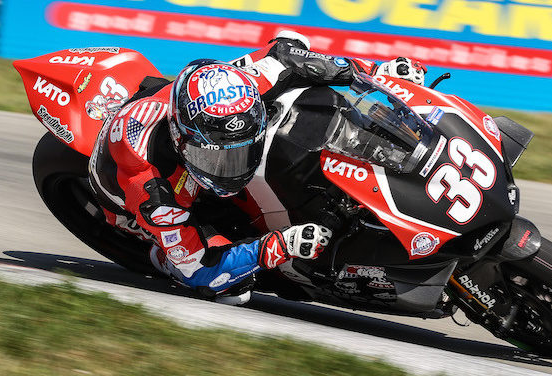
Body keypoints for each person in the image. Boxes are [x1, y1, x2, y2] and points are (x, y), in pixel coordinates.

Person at [88, 31, 427, 305]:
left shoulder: (244, 87)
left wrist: (376, 71)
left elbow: (287, 56)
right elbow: (201, 270)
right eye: (218, 158)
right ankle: (158, 257)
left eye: (240, 151)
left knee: (295, 45)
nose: (232, 168)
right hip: (133, 201)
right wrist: (279, 246)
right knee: (231, 291)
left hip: (179, 111)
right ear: (181, 141)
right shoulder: (155, 192)